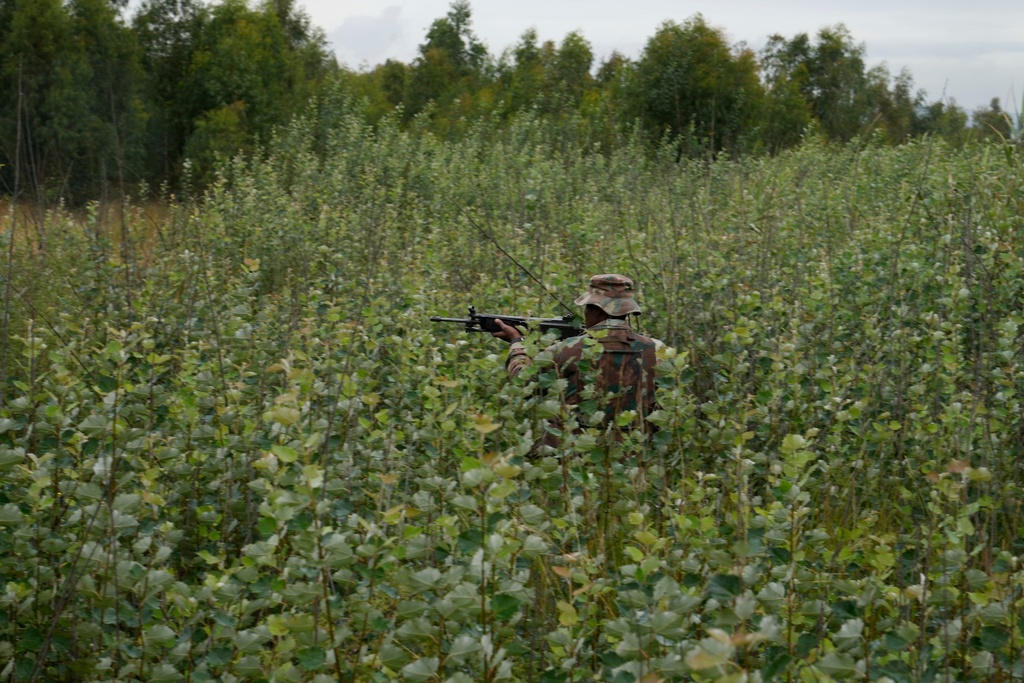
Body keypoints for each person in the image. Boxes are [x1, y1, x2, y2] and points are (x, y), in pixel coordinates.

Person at [491, 274, 661, 443]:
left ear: (596, 310)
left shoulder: (566, 349)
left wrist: (517, 343)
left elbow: (524, 382)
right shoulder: (656, 349)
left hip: (575, 457)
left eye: (587, 307)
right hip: (633, 456)